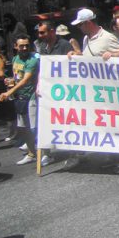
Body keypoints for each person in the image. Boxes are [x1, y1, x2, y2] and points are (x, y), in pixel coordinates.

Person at [64, 9, 119, 169]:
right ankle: (114, 155)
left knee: (116, 125)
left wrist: (112, 56)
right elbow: (88, 59)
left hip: (110, 90)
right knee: (106, 125)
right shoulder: (86, 39)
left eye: (80, 25)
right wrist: (76, 54)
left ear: (89, 22)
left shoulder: (107, 37)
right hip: (96, 91)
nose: (79, 28)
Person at [34, 21, 73, 166]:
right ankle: (46, 153)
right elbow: (42, 69)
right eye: (39, 32)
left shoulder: (64, 45)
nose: (40, 35)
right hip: (49, 92)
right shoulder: (43, 47)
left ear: (52, 32)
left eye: (43, 32)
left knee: (68, 122)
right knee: (46, 121)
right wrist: (39, 85)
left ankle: (73, 154)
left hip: (64, 92)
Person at [0, 35, 39, 165]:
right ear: (16, 46)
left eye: (27, 45)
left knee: (34, 128)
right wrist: (11, 81)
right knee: (23, 128)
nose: (25, 48)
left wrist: (8, 92)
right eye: (21, 46)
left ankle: (45, 153)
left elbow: (26, 79)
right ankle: (32, 153)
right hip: (19, 98)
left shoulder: (32, 60)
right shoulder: (15, 59)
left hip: (32, 97)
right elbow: (18, 77)